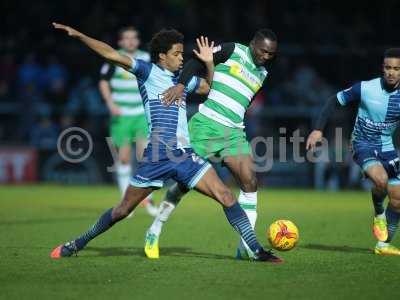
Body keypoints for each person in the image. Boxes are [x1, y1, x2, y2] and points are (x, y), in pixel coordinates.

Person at [50, 22, 282, 263]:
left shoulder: (185, 81)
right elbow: (110, 54)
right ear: (162, 56)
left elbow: (210, 88)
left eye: (182, 53)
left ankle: (255, 250)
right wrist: (80, 35)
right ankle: (77, 243)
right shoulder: (147, 73)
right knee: (122, 211)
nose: (182, 58)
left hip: (184, 155)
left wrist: (209, 63)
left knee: (227, 196)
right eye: (177, 54)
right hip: (158, 157)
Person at [145, 29, 278, 260]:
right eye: (263, 50)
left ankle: (246, 248)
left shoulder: (263, 73)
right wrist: (181, 85)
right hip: (205, 126)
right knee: (183, 185)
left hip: (234, 132)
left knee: (250, 181)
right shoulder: (233, 50)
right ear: (253, 44)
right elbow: (198, 62)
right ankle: (154, 229)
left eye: (271, 54)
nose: (266, 56)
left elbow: (240, 101)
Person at [306, 48, 400, 255]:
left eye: (396, 69)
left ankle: (383, 244)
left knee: (397, 200)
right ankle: (378, 214)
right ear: (382, 68)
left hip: (387, 148)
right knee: (381, 180)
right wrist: (318, 130)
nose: (391, 72)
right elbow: (334, 100)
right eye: (388, 68)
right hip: (362, 144)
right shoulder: (366, 88)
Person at [98, 26, 157, 216]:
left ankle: (147, 201)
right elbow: (103, 81)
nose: (130, 41)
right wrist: (110, 103)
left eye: (133, 38)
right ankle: (126, 203)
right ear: (121, 42)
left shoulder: (146, 58)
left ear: (138, 41)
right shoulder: (113, 57)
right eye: (127, 38)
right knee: (123, 159)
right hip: (121, 115)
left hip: (142, 114)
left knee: (144, 157)